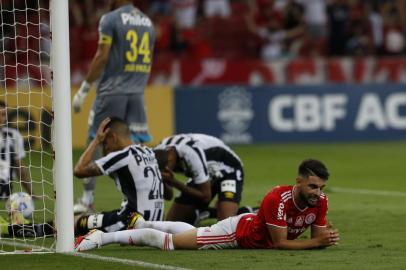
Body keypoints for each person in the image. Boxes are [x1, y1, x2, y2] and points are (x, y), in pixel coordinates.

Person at [75, 159, 340, 251]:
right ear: (298, 182)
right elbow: (281, 243)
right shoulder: (277, 199)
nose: (317, 193)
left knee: (191, 232)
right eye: (312, 187)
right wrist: (317, 242)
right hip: (237, 235)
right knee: (169, 244)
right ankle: (102, 238)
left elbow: (319, 237)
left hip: (245, 233)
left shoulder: (320, 201)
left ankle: (146, 223)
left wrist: (324, 238)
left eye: (321, 188)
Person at [72, 0, 156, 213]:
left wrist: (84, 88)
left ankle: (87, 200)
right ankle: (139, 199)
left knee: (96, 138)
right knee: (136, 146)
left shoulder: (110, 19)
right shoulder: (148, 22)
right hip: (137, 93)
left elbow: (102, 56)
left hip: (111, 92)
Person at [73, 117, 170, 236]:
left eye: (105, 144)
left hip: (131, 221)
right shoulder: (149, 152)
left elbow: (79, 170)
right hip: (157, 224)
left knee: (77, 221)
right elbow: (168, 194)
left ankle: (43, 230)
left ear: (113, 137)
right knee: (101, 217)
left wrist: (96, 140)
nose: (105, 148)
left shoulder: (122, 156)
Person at [153, 133, 245, 225]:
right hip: (205, 171)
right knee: (171, 224)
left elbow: (206, 196)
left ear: (170, 154)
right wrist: (164, 180)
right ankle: (202, 212)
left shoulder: (190, 153)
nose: (167, 170)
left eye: (167, 167)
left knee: (226, 225)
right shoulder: (156, 157)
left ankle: (246, 211)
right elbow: (169, 196)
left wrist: (174, 182)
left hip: (228, 169)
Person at [0, 101, 36, 199]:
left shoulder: (14, 135)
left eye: (3, 114)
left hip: (5, 188)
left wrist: (32, 193)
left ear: (6, 117)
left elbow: (19, 167)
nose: (0, 118)